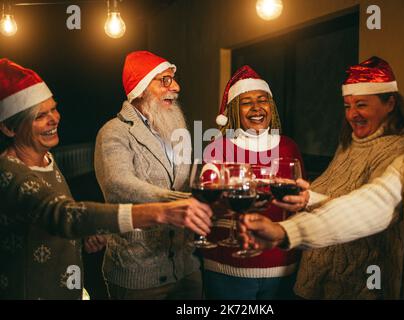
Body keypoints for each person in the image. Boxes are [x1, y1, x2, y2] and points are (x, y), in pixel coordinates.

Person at [0, 58, 212, 300]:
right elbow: (76, 207)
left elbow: (45, 221)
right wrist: (165, 210)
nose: (55, 119)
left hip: (183, 265)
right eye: (40, 116)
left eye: (54, 109)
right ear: (9, 128)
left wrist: (86, 233)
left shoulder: (46, 159)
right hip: (135, 274)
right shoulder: (9, 173)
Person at [240, 70, 404, 300]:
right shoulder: (363, 146)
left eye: (361, 104)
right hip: (316, 279)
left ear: (390, 103)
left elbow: (375, 219)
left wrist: (292, 221)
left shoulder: (400, 149)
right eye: (347, 106)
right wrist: (292, 220)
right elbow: (368, 205)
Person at [94, 51, 201, 300]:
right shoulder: (114, 131)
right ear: (141, 88)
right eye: (164, 80)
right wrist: (179, 201)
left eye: (173, 79)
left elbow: (187, 179)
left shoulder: (178, 128)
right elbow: (118, 185)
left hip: (186, 265)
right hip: (139, 272)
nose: (176, 86)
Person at [201, 65, 306, 300]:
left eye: (262, 100)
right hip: (228, 266)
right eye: (247, 102)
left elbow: (301, 202)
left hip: (282, 265)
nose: (257, 108)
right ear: (235, 111)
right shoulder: (219, 147)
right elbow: (205, 205)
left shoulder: (289, 146)